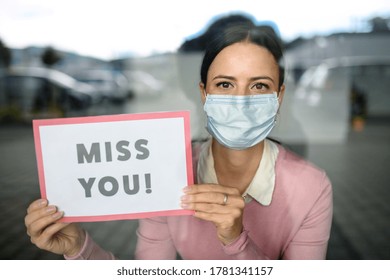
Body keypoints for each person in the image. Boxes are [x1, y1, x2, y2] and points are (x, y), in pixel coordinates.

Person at [25, 23, 333, 260]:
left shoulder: (312, 188)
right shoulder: (167, 172)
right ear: (204, 93)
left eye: (260, 85)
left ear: (279, 96)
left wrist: (236, 240)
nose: (240, 101)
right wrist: (79, 247)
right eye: (225, 84)